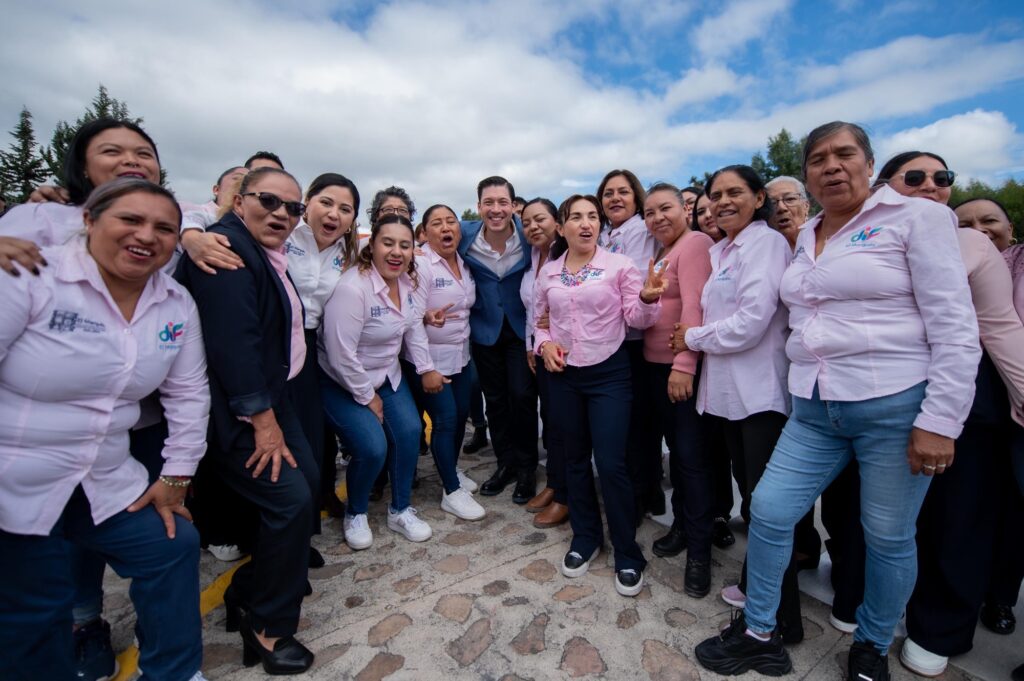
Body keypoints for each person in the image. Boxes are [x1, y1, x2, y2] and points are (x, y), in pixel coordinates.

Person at [695, 122, 980, 681]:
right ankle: (760, 633)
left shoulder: (916, 218)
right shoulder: (807, 234)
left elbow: (954, 326)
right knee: (770, 511)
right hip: (814, 405)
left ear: (869, 164)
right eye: (818, 159)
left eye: (844, 154)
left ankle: (870, 645)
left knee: (887, 536)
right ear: (806, 175)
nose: (831, 166)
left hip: (893, 405)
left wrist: (941, 419)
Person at [0, 178, 210, 681]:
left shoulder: (175, 302)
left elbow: (188, 392)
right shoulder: (31, 274)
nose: (147, 236)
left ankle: (175, 672)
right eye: (130, 220)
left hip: (105, 472)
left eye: (164, 228)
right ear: (89, 220)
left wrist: (177, 475)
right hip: (16, 475)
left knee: (171, 544)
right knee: (38, 604)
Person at [867, 151, 1024, 677]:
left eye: (942, 177)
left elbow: (1000, 328)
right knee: (890, 521)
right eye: (914, 177)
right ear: (884, 187)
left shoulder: (970, 246)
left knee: (958, 519)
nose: (930, 185)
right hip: (876, 396)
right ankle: (883, 606)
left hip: (962, 401)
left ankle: (939, 628)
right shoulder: (864, 240)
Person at [177, 166, 318, 674]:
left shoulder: (261, 250)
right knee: (289, 498)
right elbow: (234, 344)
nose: (281, 214)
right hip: (241, 409)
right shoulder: (227, 250)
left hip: (274, 397)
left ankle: (250, 588)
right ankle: (267, 627)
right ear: (239, 201)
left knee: (309, 485)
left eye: (292, 208)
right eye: (268, 201)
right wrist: (262, 418)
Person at [676, 166, 803, 637]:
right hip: (730, 396)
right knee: (753, 501)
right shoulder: (724, 249)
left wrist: (692, 337)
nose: (722, 201)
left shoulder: (765, 244)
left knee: (766, 509)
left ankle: (782, 618)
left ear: (758, 198)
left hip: (760, 396)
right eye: (716, 194)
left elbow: (752, 321)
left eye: (735, 192)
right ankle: (758, 590)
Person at [534, 194, 665, 597]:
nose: (586, 223)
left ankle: (627, 551)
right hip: (563, 376)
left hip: (609, 374)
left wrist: (648, 297)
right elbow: (539, 322)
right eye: (576, 217)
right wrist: (544, 345)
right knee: (574, 459)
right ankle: (586, 537)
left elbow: (637, 318)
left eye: (593, 216)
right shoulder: (549, 272)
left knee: (610, 464)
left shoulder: (619, 266)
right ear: (562, 228)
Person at [319, 213, 447, 549]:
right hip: (342, 381)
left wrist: (426, 368)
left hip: (387, 375)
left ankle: (400, 509)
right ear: (372, 245)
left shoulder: (407, 283)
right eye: (388, 243)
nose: (396, 252)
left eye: (405, 245)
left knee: (409, 432)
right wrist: (367, 396)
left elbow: (413, 328)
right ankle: (356, 512)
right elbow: (340, 355)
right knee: (372, 448)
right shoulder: (353, 288)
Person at [640, 183, 714, 597]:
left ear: (685, 209)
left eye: (665, 208)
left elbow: (694, 306)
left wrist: (684, 365)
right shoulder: (663, 252)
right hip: (654, 368)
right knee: (679, 462)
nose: (658, 218)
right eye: (650, 213)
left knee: (690, 461)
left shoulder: (695, 243)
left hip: (678, 370)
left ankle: (700, 552)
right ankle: (683, 527)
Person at [402, 204, 486, 520]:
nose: (446, 227)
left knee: (461, 415)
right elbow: (412, 320)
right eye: (436, 223)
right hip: (428, 359)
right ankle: (451, 491)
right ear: (424, 233)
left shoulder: (464, 262)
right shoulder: (421, 264)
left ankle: (450, 468)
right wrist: (426, 369)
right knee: (446, 420)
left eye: (451, 221)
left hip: (460, 356)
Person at [286, 173, 360, 525]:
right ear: (307, 202)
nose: (334, 214)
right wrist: (193, 236)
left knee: (317, 430)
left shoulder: (349, 251)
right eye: (326, 203)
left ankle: (320, 495)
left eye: (345, 209)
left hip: (316, 345)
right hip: (277, 341)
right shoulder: (284, 234)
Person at [458, 176, 538, 502]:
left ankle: (527, 467)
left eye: (502, 202)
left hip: (521, 328)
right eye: (488, 202)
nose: (496, 209)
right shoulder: (463, 235)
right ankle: (505, 463)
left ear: (513, 206)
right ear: (478, 207)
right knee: (495, 400)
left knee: (522, 396)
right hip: (485, 328)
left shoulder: (529, 235)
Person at [596, 169, 663, 520]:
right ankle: (644, 492)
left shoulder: (642, 230)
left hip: (637, 340)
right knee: (629, 426)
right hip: (614, 341)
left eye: (623, 191)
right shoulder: (604, 234)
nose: (615, 198)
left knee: (639, 426)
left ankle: (642, 495)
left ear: (636, 197)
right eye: (608, 193)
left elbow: (630, 283)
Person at [520, 198, 569, 528]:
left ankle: (565, 492)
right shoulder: (533, 256)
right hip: (540, 349)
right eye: (526, 223)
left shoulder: (567, 254)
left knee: (564, 424)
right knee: (550, 419)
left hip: (565, 351)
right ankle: (554, 482)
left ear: (557, 222)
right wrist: (531, 345)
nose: (533, 227)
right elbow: (534, 310)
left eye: (540, 219)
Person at [765, 176, 810, 250]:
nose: (781, 208)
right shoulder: (760, 251)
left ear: (806, 206)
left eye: (789, 199)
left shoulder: (825, 241)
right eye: (772, 203)